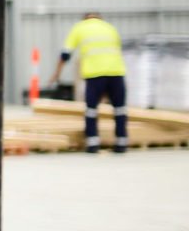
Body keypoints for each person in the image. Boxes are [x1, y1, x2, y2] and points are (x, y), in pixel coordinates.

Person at [46, 11, 128, 153]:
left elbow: (66, 53)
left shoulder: (80, 27)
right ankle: (121, 143)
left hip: (95, 74)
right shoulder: (110, 28)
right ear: (100, 18)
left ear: (85, 18)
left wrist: (56, 74)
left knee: (91, 110)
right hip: (116, 73)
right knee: (119, 109)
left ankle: (93, 144)